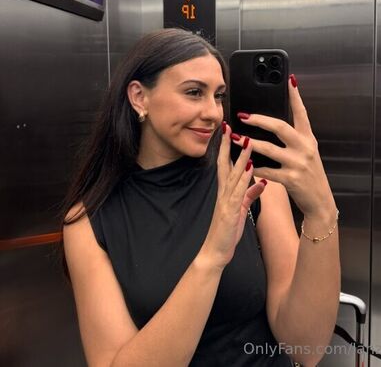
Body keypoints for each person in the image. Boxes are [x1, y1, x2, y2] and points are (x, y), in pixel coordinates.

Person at [59, 28, 340, 367]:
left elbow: (305, 348)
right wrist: (212, 257)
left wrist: (322, 211)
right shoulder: (91, 221)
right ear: (139, 97)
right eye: (194, 92)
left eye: (218, 96)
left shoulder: (249, 179)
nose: (214, 112)